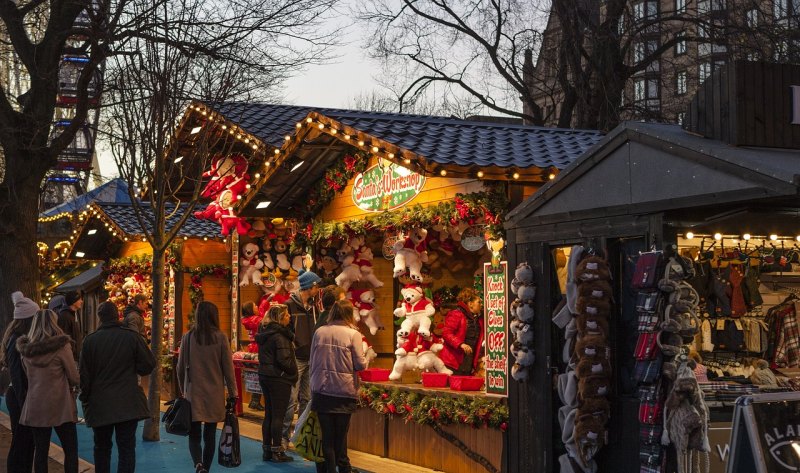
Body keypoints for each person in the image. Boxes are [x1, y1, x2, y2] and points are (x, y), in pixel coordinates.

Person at [79, 301, 156, 473]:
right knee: (127, 448)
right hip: (127, 401)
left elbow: (84, 374)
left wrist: (85, 396)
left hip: (100, 403)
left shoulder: (90, 341)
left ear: (100, 318)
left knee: (101, 447)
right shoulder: (131, 337)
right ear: (118, 315)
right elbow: (148, 364)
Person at [176, 301, 238, 473]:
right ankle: (207, 469)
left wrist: (183, 389)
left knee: (194, 434)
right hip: (214, 393)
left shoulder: (188, 337)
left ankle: (198, 464)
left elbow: (179, 368)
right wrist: (233, 393)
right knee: (210, 435)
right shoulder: (221, 337)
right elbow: (228, 369)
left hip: (193, 393)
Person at [17, 308, 80, 473]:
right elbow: (74, 377)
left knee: (41, 451)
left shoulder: (26, 350)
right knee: (70, 450)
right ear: (54, 323)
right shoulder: (61, 346)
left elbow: (27, 376)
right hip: (61, 405)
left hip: (35, 404)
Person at [310, 300, 367, 473]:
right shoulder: (353, 334)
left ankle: (332, 469)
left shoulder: (319, 332)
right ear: (349, 315)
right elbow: (360, 365)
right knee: (340, 436)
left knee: (327, 438)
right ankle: (343, 468)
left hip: (322, 390)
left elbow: (312, 360)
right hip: (343, 391)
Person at [281, 269, 322, 446]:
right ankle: (283, 436)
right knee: (291, 398)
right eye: (316, 286)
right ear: (309, 287)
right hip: (296, 357)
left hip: (311, 357)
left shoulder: (314, 307)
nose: (318, 289)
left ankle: (300, 436)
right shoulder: (289, 305)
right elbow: (285, 329)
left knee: (306, 398)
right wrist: (295, 344)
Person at [256, 304, 298, 463]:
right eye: (287, 315)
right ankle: (277, 451)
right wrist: (293, 372)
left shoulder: (265, 332)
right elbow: (283, 360)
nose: (289, 317)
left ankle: (267, 449)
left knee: (269, 414)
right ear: (280, 318)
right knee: (278, 416)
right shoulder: (281, 336)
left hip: (265, 376)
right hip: (279, 378)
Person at [2, 291, 37, 472]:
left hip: (18, 396)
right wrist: (25, 404)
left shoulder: (14, 337)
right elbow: (17, 375)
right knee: (22, 441)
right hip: (19, 397)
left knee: (23, 440)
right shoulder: (17, 340)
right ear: (28, 319)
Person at [439, 287, 485, 376]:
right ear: (470, 304)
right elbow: (446, 333)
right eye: (479, 302)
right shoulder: (456, 314)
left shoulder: (477, 319)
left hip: (468, 360)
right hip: (454, 361)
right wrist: (461, 344)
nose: (481, 305)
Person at [240, 300, 265, 411]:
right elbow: (264, 319)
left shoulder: (248, 320)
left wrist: (265, 302)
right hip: (258, 348)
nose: (257, 306)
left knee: (254, 375)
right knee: (259, 375)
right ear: (251, 309)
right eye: (255, 305)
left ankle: (254, 400)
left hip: (252, 348)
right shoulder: (257, 320)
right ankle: (255, 400)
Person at [56, 290, 84, 361]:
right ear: (73, 302)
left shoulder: (73, 314)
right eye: (79, 299)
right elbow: (63, 338)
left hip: (74, 356)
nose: (82, 301)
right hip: (70, 357)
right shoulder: (65, 316)